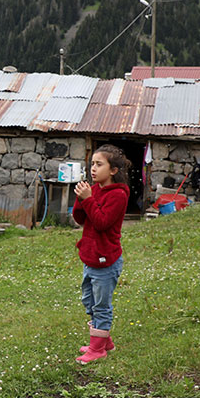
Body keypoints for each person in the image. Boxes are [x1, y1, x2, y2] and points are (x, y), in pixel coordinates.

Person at [72, 144, 131, 364]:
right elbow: (82, 219)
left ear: (113, 170)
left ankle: (97, 349)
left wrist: (88, 199)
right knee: (89, 299)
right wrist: (81, 199)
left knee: (101, 305)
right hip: (90, 257)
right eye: (92, 164)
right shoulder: (94, 189)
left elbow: (102, 222)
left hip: (106, 260)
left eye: (99, 164)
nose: (93, 169)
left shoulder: (118, 195)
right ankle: (103, 341)